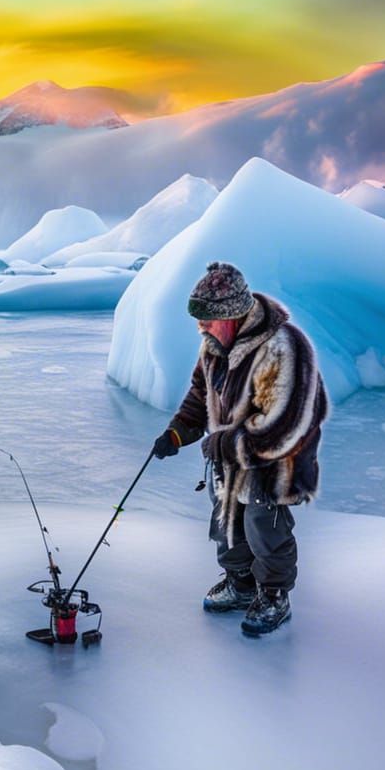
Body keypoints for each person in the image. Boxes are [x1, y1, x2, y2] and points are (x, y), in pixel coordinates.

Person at [152, 261, 328, 636]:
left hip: (277, 461)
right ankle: (241, 585)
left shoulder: (284, 348)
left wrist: (225, 443)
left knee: (264, 527)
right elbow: (200, 397)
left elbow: (284, 425)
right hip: (230, 461)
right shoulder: (215, 346)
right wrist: (178, 432)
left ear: (233, 314)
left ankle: (274, 596)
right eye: (199, 320)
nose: (202, 326)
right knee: (227, 522)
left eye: (209, 319)